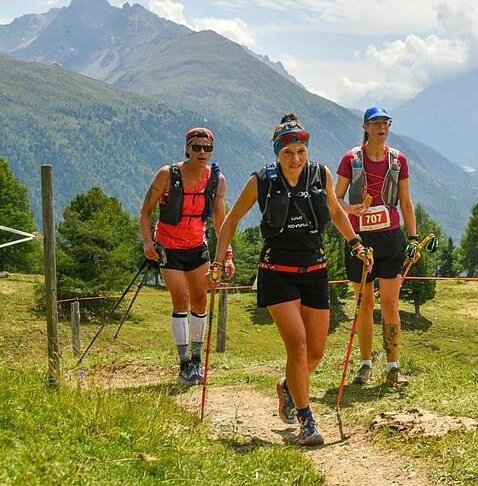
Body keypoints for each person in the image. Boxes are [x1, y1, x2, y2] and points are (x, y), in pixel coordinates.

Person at [210, 113, 370, 447]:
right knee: (296, 346)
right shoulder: (262, 181)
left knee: (315, 353)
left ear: (307, 150)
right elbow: (231, 220)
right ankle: (306, 420)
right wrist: (219, 259)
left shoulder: (320, 174)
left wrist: (355, 243)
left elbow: (337, 212)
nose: (295, 159)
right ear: (276, 154)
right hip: (277, 274)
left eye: (300, 151)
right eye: (287, 153)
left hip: (316, 271)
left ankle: (287, 387)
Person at [139, 126, 233, 386]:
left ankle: (196, 360)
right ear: (187, 149)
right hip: (169, 247)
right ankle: (184, 366)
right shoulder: (167, 175)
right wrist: (148, 242)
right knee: (181, 300)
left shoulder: (217, 180)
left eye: (207, 148)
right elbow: (146, 210)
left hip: (197, 246)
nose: (202, 152)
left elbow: (220, 219)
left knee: (200, 301)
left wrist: (227, 253)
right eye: (197, 147)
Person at [335, 107, 419, 388]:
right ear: (366, 127)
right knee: (364, 304)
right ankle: (365, 364)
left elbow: (405, 202)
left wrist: (413, 238)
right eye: (376, 123)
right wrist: (350, 209)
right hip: (359, 239)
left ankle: (393, 367)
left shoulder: (399, 160)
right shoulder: (351, 159)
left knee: (391, 304)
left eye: (386, 123)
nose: (382, 128)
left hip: (391, 237)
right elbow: (335, 200)